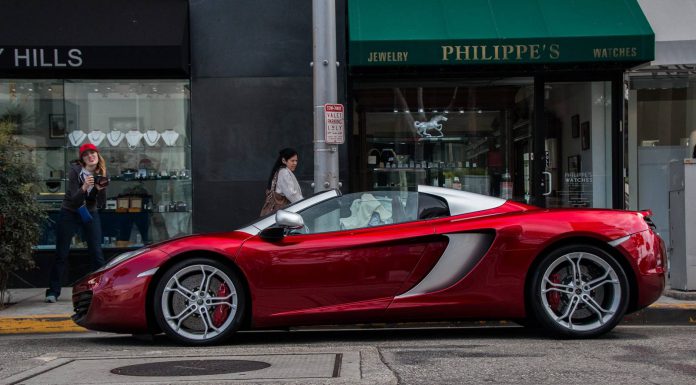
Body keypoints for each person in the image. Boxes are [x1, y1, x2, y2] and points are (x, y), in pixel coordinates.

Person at [45, 143, 108, 303]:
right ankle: (53, 291)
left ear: (97, 155)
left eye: (92, 153)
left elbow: (101, 204)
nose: (90, 156)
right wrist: (85, 187)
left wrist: (100, 190)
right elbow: (74, 199)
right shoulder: (75, 172)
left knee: (96, 252)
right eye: (86, 154)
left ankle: (100, 290)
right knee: (62, 253)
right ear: (82, 159)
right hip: (70, 212)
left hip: (90, 213)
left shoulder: (102, 173)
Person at [260, 148, 303, 216]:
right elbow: (292, 194)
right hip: (283, 212)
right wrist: (304, 204)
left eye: (296, 161)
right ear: (284, 160)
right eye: (292, 161)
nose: (295, 163)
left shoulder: (280, 171)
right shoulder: (284, 172)